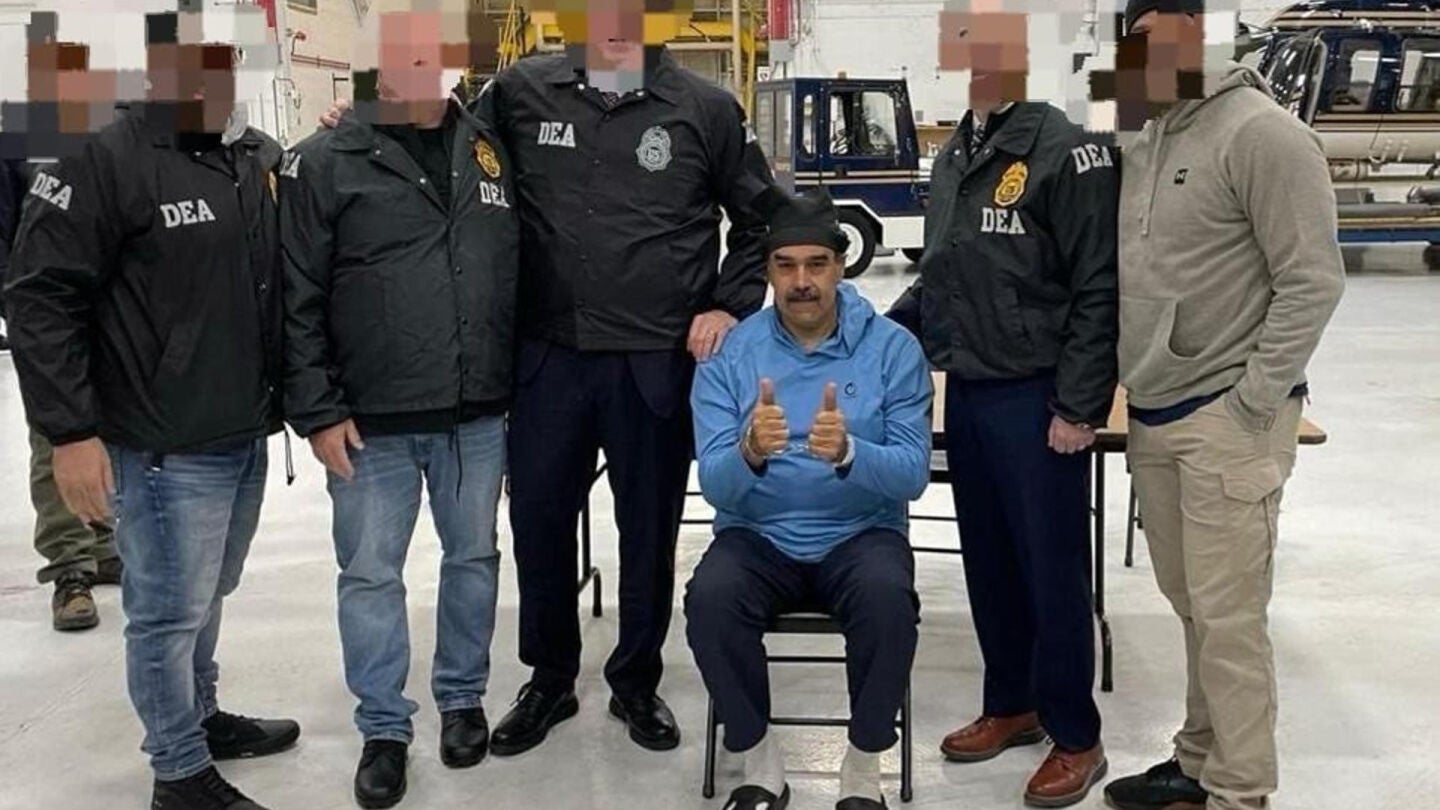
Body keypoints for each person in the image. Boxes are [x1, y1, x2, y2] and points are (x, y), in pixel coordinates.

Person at [325, 1, 777, 756]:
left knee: (649, 527)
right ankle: (550, 677)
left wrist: (728, 305)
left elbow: (761, 219)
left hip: (653, 361)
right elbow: (442, 140)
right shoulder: (520, 90)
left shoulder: (706, 109)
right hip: (546, 358)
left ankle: (636, 679)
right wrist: (367, 116)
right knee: (538, 525)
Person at [4, 8, 298, 808]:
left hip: (239, 428)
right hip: (161, 441)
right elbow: (39, 298)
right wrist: (70, 432)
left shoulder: (248, 155)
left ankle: (198, 716)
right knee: (167, 612)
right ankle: (178, 770)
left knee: (207, 594)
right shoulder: (104, 154)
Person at [1104, 4, 1346, 810]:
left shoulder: (1264, 134)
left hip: (1226, 417)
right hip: (1155, 409)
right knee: (1191, 607)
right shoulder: (1147, 135)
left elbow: (1312, 280)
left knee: (1230, 619)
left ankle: (1241, 790)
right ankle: (1197, 759)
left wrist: (1254, 399)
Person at [280, 3, 519, 807]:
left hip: (474, 411)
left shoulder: (488, 149)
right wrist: (317, 410)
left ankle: (462, 699)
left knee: (474, 559)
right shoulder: (325, 160)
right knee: (371, 575)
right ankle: (384, 726)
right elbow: (296, 296)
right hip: (369, 420)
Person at [887, 5, 1118, 806]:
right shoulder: (958, 151)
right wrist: (876, 335)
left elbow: (1098, 286)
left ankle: (1076, 735)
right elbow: (944, 275)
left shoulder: (1067, 150)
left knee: (1051, 570)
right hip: (970, 389)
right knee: (989, 561)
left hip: (1037, 393)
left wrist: (1079, 405)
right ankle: (1012, 702)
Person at [686, 189, 931, 810]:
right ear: (767, 272)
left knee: (888, 600)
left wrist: (851, 453)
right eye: (786, 266)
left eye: (817, 264)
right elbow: (714, 483)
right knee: (709, 599)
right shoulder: (730, 354)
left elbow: (911, 476)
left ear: (841, 266)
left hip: (861, 533)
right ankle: (760, 761)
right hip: (758, 536)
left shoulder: (893, 350)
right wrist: (749, 451)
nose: (802, 282)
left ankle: (863, 769)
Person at [0, 21, 122, 634]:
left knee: (115, 434)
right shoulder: (15, 145)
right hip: (49, 322)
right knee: (56, 438)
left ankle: (103, 544)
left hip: (113, 318)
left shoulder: (110, 139)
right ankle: (69, 567)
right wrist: (21, 313)